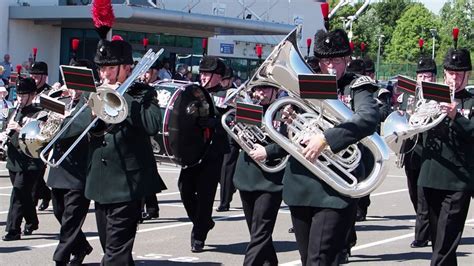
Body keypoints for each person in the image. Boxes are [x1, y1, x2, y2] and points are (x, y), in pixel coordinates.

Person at [74, 3, 167, 263]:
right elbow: (71, 129)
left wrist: (124, 98)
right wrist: (89, 113)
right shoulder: (92, 92)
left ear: (127, 68)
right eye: (101, 68)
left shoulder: (143, 93)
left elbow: (152, 125)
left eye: (110, 68)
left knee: (115, 252)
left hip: (128, 183)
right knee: (112, 249)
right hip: (99, 182)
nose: (103, 74)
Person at [283, 28, 380, 265]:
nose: (330, 67)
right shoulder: (304, 84)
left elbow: (367, 118)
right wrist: (290, 118)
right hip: (302, 182)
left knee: (319, 259)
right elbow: (294, 130)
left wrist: (326, 138)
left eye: (336, 60)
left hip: (336, 186)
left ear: (347, 59)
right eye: (325, 60)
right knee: (309, 259)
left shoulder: (357, 86)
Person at [418, 42, 473, 266]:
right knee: (439, 242)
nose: (455, 78)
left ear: (467, 75)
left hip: (458, 179)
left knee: (444, 243)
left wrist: (456, 116)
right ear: (444, 74)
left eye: (460, 74)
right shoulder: (431, 97)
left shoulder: (471, 101)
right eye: (451, 73)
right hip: (430, 175)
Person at [46, 59, 95, 266]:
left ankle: (60, 258)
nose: (72, 88)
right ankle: (82, 246)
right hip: (59, 169)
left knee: (71, 218)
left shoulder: (91, 103)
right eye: (69, 82)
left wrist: (63, 119)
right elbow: (46, 130)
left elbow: (77, 127)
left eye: (76, 84)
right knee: (59, 212)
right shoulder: (63, 102)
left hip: (79, 171)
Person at [178, 56, 230, 252]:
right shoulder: (193, 92)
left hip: (214, 151)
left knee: (206, 194)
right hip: (193, 149)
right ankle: (203, 221)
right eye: (202, 73)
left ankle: (198, 234)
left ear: (218, 76)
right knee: (184, 189)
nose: (204, 78)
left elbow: (235, 122)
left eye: (208, 74)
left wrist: (217, 122)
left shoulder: (229, 94)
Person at [233, 85, 286, 265]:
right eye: (257, 89)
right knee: (256, 232)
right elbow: (232, 143)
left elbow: (290, 142)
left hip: (271, 179)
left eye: (265, 89)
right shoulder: (249, 109)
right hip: (246, 175)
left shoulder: (284, 110)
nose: (260, 93)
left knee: (261, 231)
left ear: (275, 91)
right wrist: (237, 132)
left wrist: (268, 151)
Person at [2, 77, 45, 241]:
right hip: (14, 160)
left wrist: (20, 129)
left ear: (33, 95)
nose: (20, 98)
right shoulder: (14, 111)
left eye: (24, 95)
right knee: (24, 195)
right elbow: (5, 127)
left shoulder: (39, 113)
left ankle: (13, 230)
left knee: (18, 193)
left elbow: (40, 137)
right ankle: (32, 221)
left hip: (30, 161)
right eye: (18, 95)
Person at [403, 55, 437, 249]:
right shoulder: (409, 95)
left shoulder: (438, 95)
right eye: (421, 76)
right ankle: (429, 227)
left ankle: (422, 235)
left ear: (434, 77)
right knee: (414, 194)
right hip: (410, 150)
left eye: (428, 76)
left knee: (424, 196)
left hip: (428, 152)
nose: (424, 80)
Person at [29, 60, 53, 211]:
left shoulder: (50, 93)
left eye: (38, 76)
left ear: (45, 77)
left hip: (42, 138)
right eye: (33, 75)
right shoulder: (28, 90)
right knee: (33, 176)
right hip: (28, 136)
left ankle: (31, 212)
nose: (35, 79)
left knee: (36, 175)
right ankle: (45, 193)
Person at [216, 66, 238, 212]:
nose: (222, 82)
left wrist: (235, 102)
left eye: (224, 80)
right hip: (217, 131)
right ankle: (231, 187)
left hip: (232, 131)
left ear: (230, 80)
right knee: (218, 167)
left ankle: (224, 202)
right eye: (221, 79)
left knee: (227, 167)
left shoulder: (238, 92)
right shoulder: (215, 91)